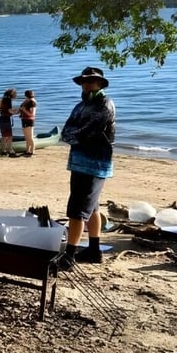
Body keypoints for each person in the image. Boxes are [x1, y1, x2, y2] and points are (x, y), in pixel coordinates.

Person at [60, 67, 116, 269]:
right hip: (78, 161)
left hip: (95, 163)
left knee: (76, 210)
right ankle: (94, 250)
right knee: (91, 207)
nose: (87, 85)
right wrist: (76, 134)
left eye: (91, 81)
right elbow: (66, 131)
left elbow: (90, 131)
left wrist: (76, 134)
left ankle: (69, 255)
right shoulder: (79, 106)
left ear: (100, 84)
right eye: (84, 81)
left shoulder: (105, 104)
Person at [0, 88, 19, 157]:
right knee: (9, 136)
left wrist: (13, 111)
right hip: (6, 119)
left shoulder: (3, 99)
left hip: (1, 118)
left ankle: (3, 151)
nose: (16, 96)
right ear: (12, 94)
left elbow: (5, 110)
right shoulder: (8, 100)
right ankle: (10, 150)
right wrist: (17, 112)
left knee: (4, 136)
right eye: (15, 94)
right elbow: (9, 110)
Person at [19, 90, 37, 156]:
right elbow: (21, 108)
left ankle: (32, 151)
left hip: (29, 120)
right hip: (24, 119)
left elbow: (32, 114)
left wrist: (24, 110)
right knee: (26, 137)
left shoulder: (32, 102)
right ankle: (27, 150)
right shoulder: (26, 101)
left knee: (30, 137)